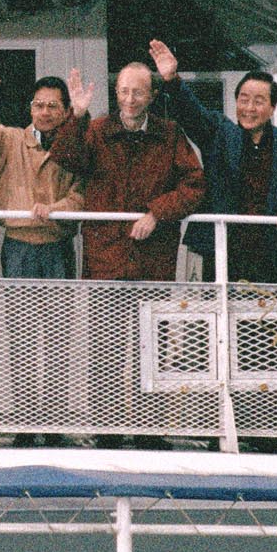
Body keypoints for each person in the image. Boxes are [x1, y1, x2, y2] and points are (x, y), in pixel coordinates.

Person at [49, 63, 206, 448]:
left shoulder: (170, 135)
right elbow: (66, 157)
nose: (130, 99)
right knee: (105, 346)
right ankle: (108, 430)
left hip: (153, 260)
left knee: (151, 346)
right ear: (115, 93)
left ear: (152, 95)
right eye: (122, 91)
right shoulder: (98, 130)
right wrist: (78, 115)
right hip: (106, 258)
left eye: (137, 92)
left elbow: (195, 184)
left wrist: (157, 212)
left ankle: (150, 430)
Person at [0, 63, 87, 444]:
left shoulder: (77, 145)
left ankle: (53, 422)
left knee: (57, 337)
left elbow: (84, 193)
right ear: (30, 108)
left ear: (67, 110)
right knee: (19, 337)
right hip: (18, 246)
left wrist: (58, 207)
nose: (45, 112)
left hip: (57, 247)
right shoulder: (11, 140)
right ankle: (25, 421)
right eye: (39, 105)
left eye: (54, 106)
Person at [148, 41, 277, 284]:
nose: (249, 108)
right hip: (223, 253)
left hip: (271, 255)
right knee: (220, 320)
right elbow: (193, 113)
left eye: (258, 101)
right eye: (243, 99)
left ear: (272, 107)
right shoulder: (219, 134)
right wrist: (172, 78)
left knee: (271, 320)